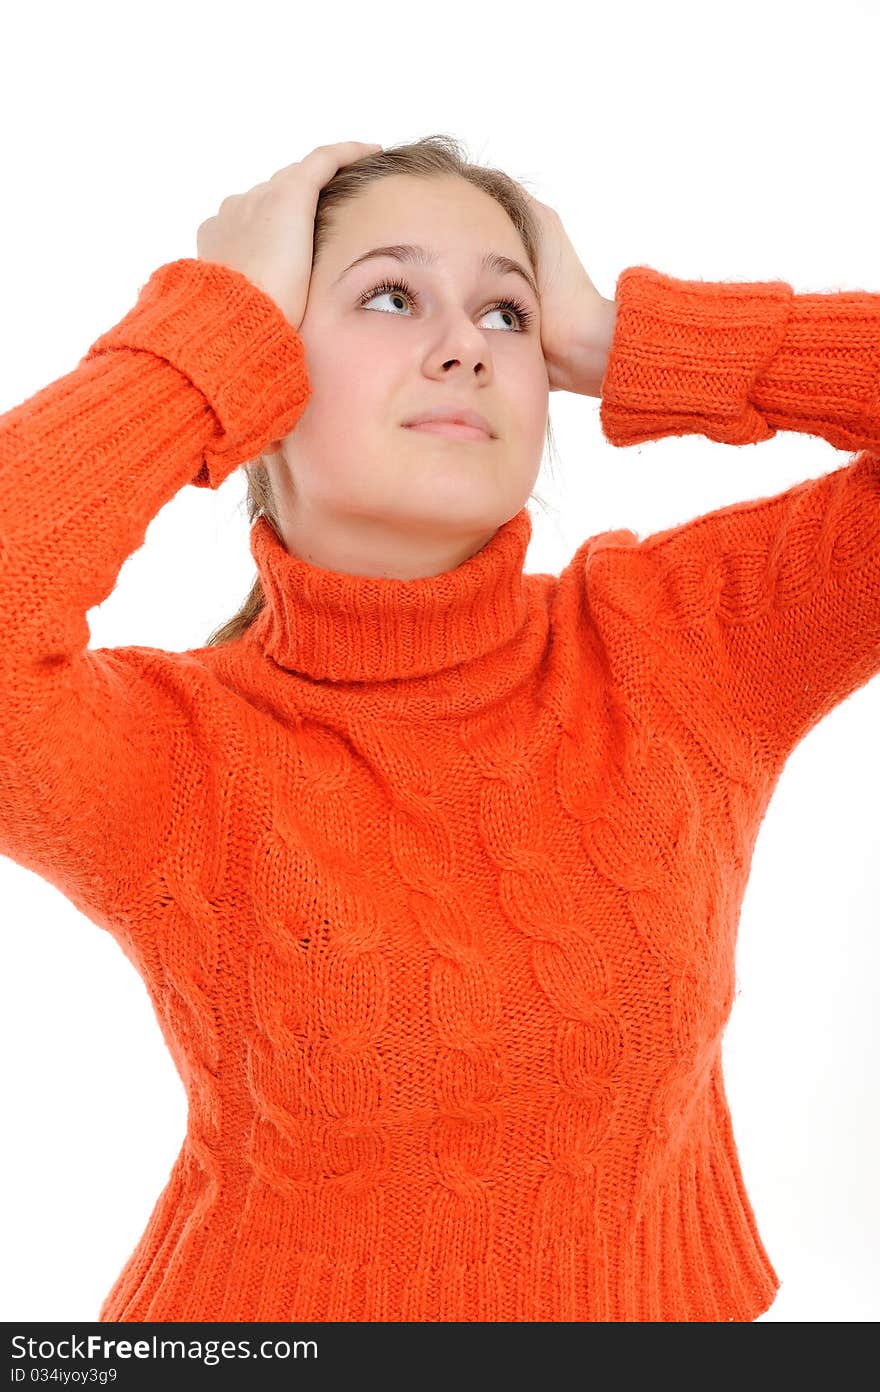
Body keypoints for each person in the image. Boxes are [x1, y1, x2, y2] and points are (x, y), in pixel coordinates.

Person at [1, 134, 879, 1323]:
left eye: (508, 316)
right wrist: (208, 336)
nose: (464, 344)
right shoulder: (182, 754)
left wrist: (633, 341)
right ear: (269, 372)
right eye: (391, 296)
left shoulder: (679, 647)